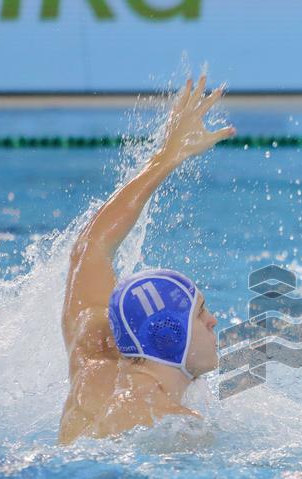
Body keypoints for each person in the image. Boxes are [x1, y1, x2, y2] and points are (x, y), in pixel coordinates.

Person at [59, 75, 234, 444]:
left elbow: (89, 249)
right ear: (170, 336)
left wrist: (165, 158)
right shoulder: (178, 427)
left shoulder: (92, 363)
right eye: (200, 314)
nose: (214, 320)